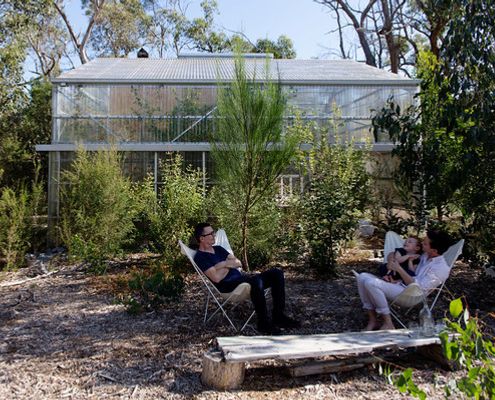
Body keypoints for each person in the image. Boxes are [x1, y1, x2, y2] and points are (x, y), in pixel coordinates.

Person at [193, 222, 300, 334]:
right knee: (256, 281)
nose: (214, 235)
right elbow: (216, 278)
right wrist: (228, 264)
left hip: (242, 279)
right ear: (201, 238)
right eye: (210, 233)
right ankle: (263, 323)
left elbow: (238, 262)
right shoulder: (200, 257)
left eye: (213, 232)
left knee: (276, 273)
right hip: (228, 286)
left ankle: (278, 316)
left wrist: (221, 265)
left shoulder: (219, 249)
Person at [356, 230, 451, 331]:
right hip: (399, 284)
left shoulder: (441, 269)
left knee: (370, 283)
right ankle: (373, 320)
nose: (422, 243)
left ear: (435, 251)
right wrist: (391, 261)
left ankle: (388, 323)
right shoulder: (424, 254)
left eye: (425, 243)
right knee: (362, 277)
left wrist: (399, 269)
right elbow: (393, 253)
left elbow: (418, 289)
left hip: (410, 294)